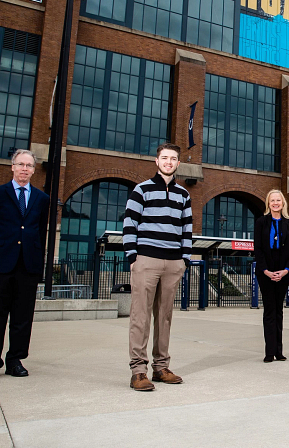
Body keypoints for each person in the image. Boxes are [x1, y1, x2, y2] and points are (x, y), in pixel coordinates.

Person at [0, 149, 50, 380]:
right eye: (20, 164)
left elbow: (40, 230)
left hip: (27, 266)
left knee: (22, 317)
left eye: (29, 165)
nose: (24, 169)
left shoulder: (41, 198)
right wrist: (0, 248)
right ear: (12, 167)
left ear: (34, 170)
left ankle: (15, 360)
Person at [123, 143, 193, 391]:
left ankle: (161, 367)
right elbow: (130, 224)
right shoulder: (141, 190)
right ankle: (138, 371)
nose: (169, 162)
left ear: (177, 163)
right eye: (165, 158)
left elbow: (187, 230)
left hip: (173, 262)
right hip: (146, 260)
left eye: (173, 159)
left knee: (164, 317)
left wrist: (184, 260)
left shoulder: (183, 195)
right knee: (140, 316)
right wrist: (133, 257)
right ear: (157, 161)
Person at [253, 190, 289, 363]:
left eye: (278, 200)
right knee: (269, 311)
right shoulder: (261, 222)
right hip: (265, 273)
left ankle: (279, 351)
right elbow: (257, 249)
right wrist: (266, 271)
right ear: (268, 203)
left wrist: (286, 270)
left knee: (279, 311)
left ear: (283, 203)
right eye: (272, 200)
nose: (275, 203)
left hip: (284, 272)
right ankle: (269, 352)